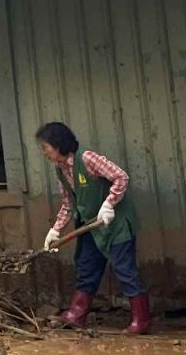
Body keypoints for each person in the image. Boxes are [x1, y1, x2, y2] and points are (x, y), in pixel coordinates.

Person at [36, 122, 150, 335]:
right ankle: (76, 315)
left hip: (115, 224)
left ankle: (141, 320)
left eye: (45, 147)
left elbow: (121, 177)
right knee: (86, 267)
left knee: (125, 270)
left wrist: (109, 204)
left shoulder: (87, 159)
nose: (44, 152)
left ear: (58, 143)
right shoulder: (60, 170)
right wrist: (55, 230)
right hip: (90, 225)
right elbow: (69, 203)